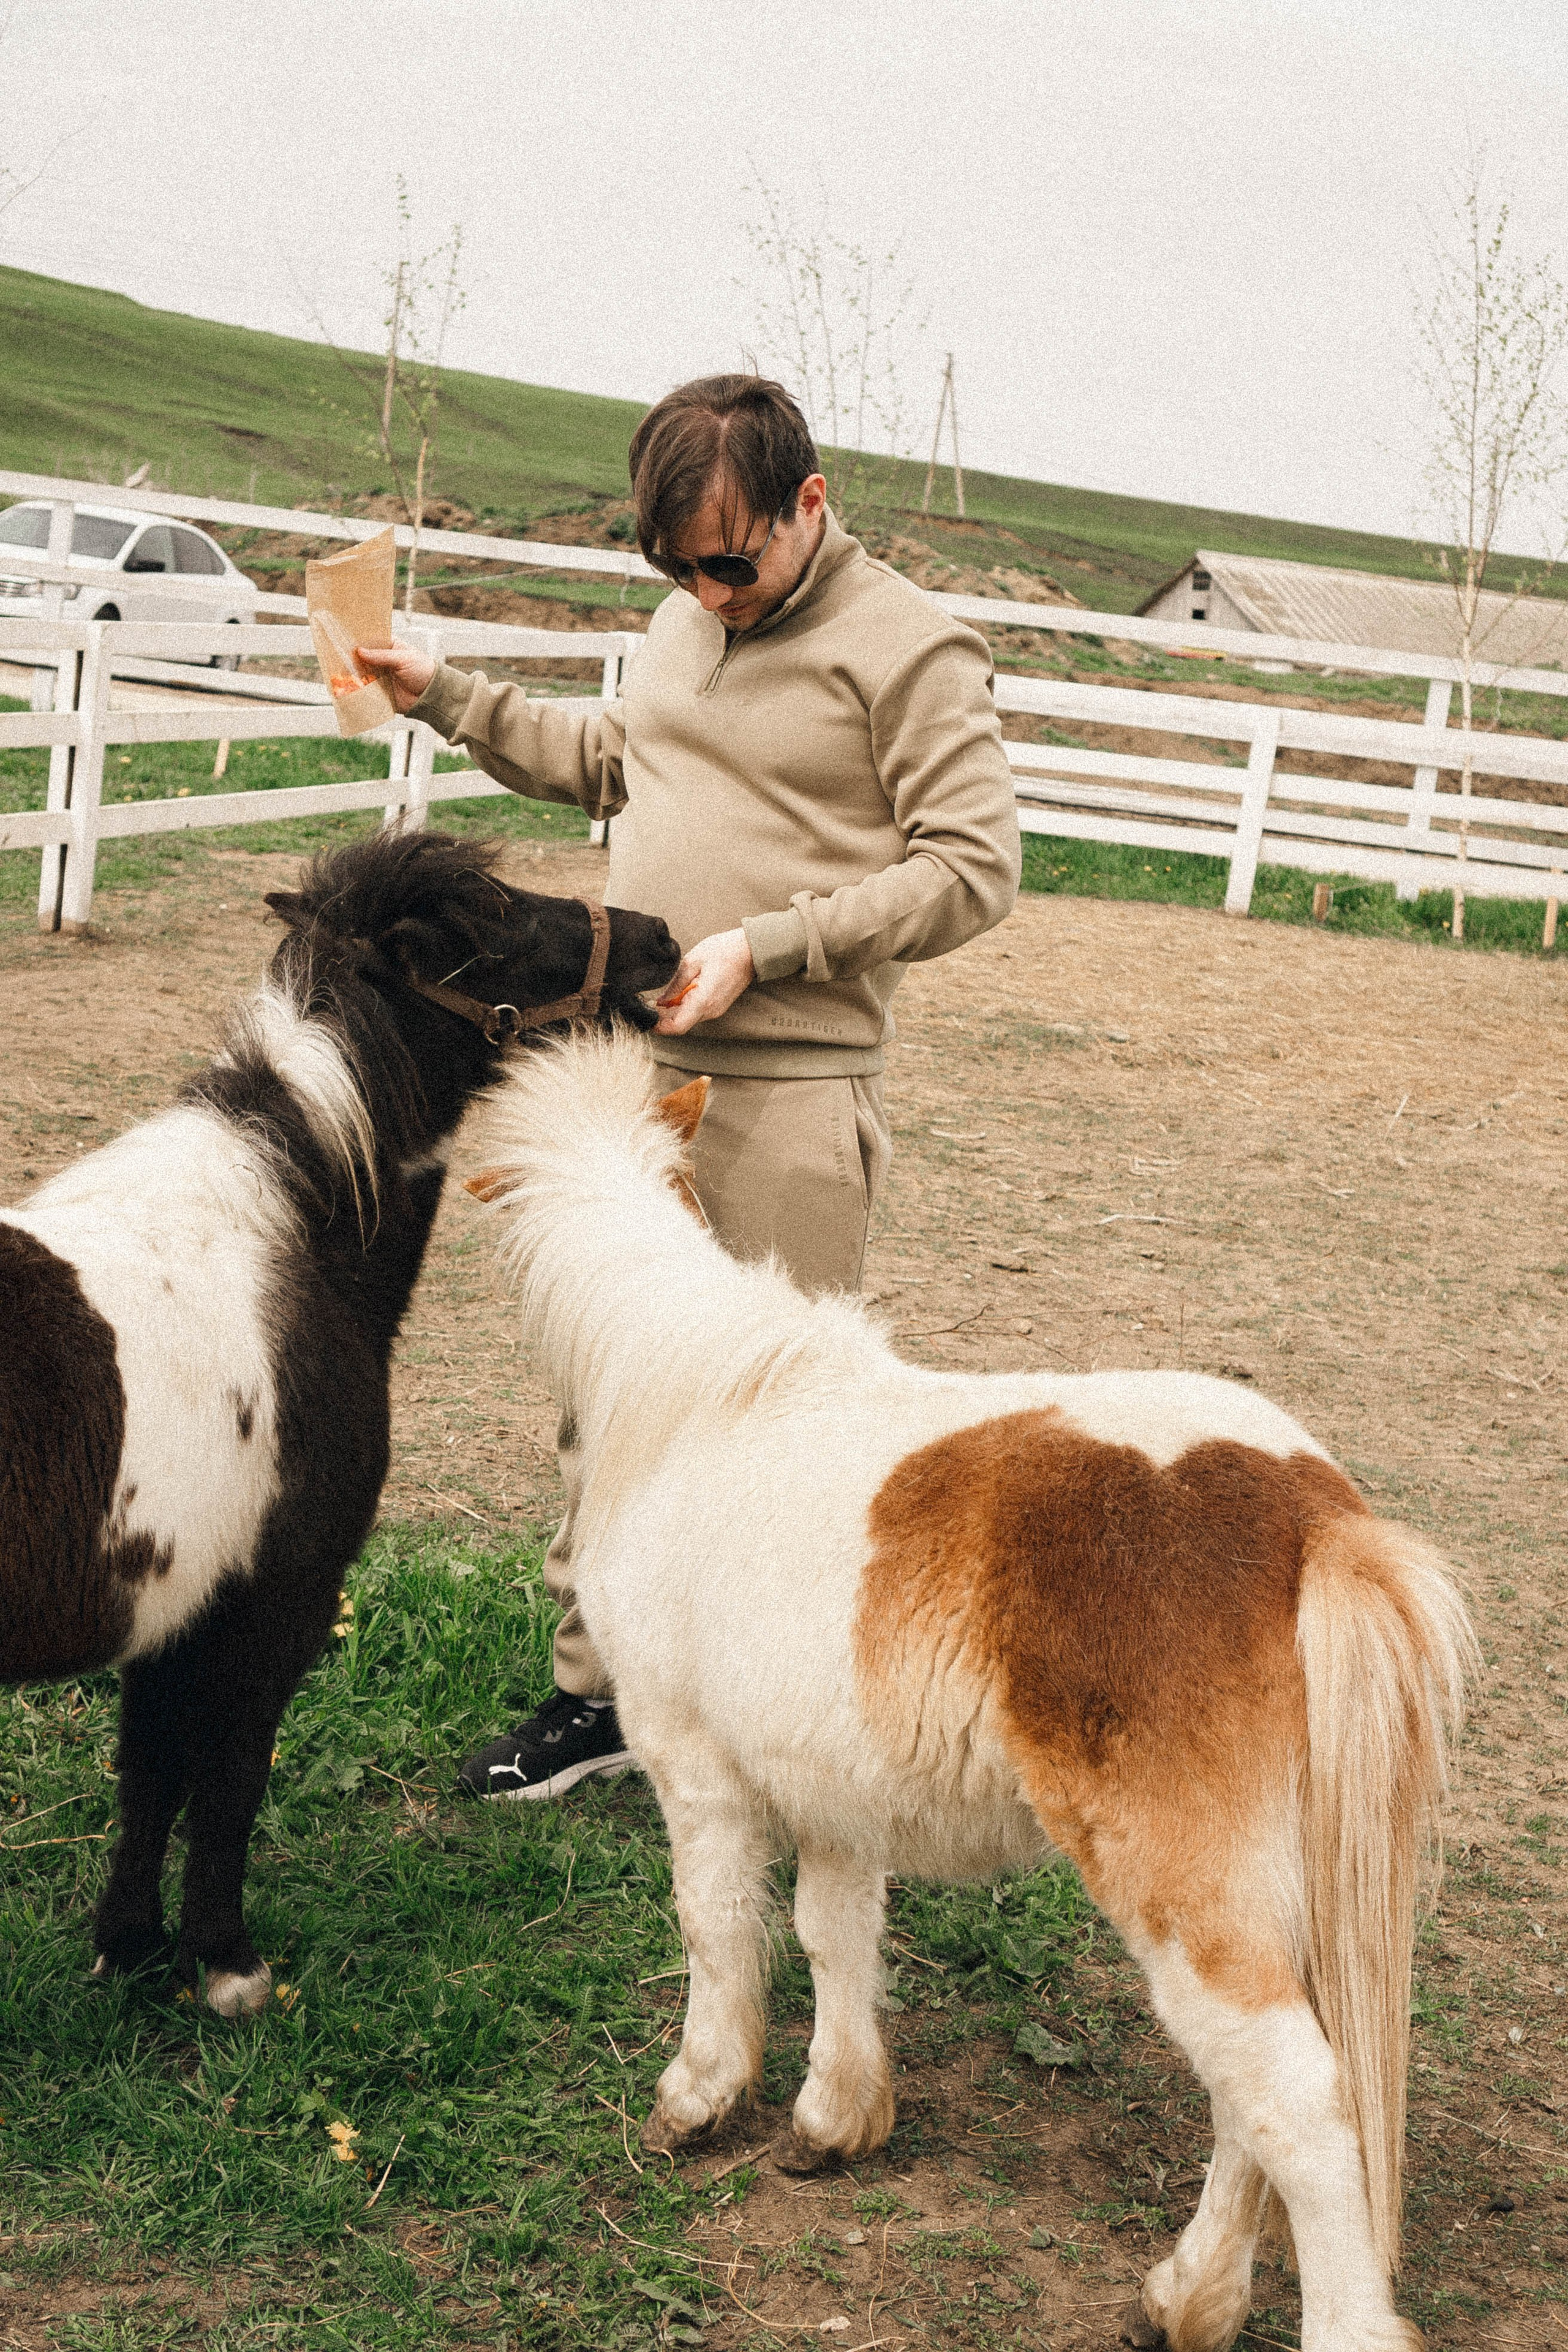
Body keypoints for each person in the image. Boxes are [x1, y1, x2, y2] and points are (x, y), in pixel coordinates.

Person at [358, 374, 1021, 1801]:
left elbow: (973, 869)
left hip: (789, 1097)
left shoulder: (911, 650)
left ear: (810, 504)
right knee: (611, 1400)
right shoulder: (685, 612)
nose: (707, 590)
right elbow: (619, 760)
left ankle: (770, 1729)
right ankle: (593, 1699)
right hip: (636, 1086)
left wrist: (771, 947)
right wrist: (451, 696)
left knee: (776, 1427)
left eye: (732, 560)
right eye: (675, 565)